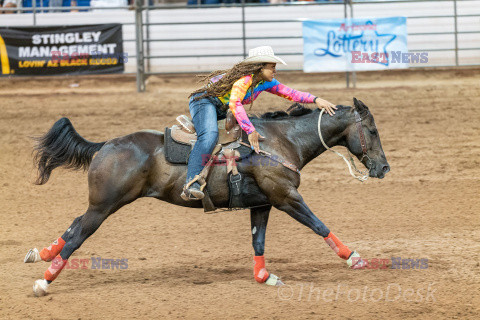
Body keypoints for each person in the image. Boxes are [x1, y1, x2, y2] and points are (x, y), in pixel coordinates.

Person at [181, 46, 337, 201]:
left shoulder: (265, 82)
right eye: (272, 67)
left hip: (222, 107)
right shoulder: (244, 80)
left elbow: (291, 93)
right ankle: (191, 184)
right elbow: (235, 102)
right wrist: (250, 130)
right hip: (204, 101)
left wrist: (316, 99)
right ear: (260, 67)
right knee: (209, 135)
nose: (275, 71)